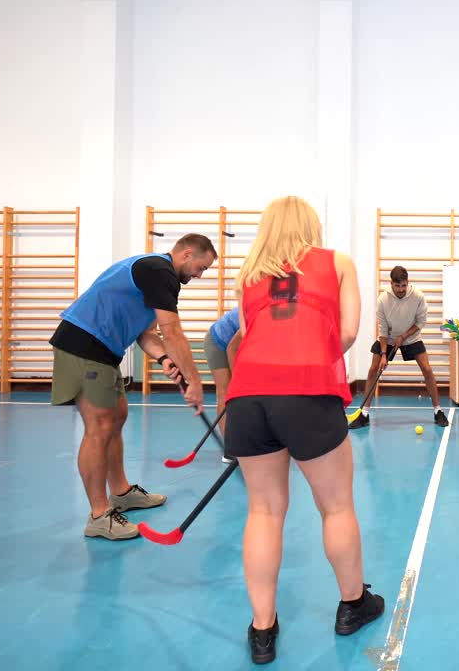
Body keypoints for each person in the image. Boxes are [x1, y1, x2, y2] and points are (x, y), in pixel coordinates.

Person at [222, 196, 384, 665]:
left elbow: (250, 333)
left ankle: (262, 630)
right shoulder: (337, 263)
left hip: (248, 394)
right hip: (309, 389)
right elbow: (350, 331)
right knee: (335, 507)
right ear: (311, 226)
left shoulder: (250, 275)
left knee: (264, 511)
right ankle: (353, 605)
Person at [50, 234, 216, 541]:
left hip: (104, 351)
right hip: (82, 346)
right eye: (201, 267)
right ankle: (99, 516)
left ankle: (122, 493)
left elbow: (147, 334)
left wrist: (165, 358)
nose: (200, 275)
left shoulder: (158, 276)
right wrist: (194, 381)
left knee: (117, 417)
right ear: (187, 254)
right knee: (98, 427)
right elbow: (172, 331)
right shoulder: (159, 271)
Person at [348, 266, 449, 430]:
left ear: (408, 283)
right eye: (397, 286)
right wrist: (383, 354)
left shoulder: (418, 296)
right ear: (391, 284)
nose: (401, 289)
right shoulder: (383, 300)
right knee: (374, 369)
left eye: (404, 285)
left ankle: (438, 411)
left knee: (427, 369)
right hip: (389, 338)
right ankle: (364, 414)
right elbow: (382, 330)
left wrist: (404, 336)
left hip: (412, 337)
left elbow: (420, 322)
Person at [203, 307, 243, 464]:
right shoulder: (259, 311)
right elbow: (232, 347)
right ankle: (230, 449)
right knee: (226, 392)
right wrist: (238, 378)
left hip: (237, 346)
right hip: (218, 342)